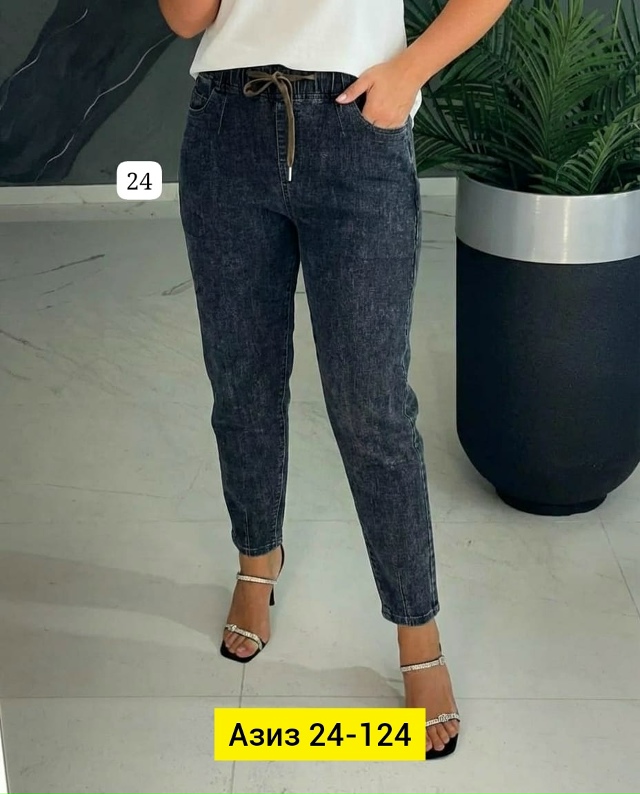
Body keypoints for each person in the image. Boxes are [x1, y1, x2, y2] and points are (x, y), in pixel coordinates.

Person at [159, 0, 511, 760]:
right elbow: (187, 18)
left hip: (356, 123)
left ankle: (417, 631)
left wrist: (409, 72)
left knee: (371, 407)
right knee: (242, 382)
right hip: (227, 125)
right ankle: (258, 559)